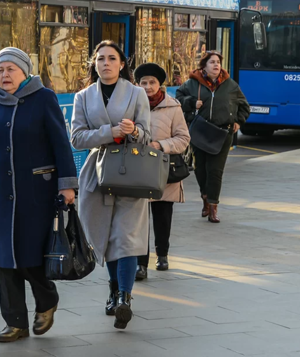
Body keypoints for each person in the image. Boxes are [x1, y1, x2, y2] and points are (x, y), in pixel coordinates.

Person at [0, 47, 78, 343]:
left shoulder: (43, 98)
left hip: (36, 191)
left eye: (11, 69)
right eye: (0, 70)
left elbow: (60, 143)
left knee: (30, 254)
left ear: (25, 72)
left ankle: (46, 299)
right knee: (4, 258)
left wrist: (67, 184)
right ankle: (15, 322)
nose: (5, 75)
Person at [70, 40, 151, 330]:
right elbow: (77, 138)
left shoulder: (137, 93)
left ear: (121, 64)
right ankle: (114, 289)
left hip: (131, 173)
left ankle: (124, 298)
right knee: (104, 236)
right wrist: (110, 131)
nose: (105, 63)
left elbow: (147, 133)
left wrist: (135, 130)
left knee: (126, 238)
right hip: (97, 174)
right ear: (94, 63)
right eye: (100, 58)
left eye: (111, 58)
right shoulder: (83, 97)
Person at [176, 51, 249, 223]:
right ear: (204, 66)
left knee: (215, 171)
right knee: (200, 169)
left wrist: (239, 121)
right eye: (212, 62)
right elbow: (178, 100)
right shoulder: (192, 84)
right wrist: (192, 103)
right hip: (199, 131)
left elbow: (244, 106)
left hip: (223, 133)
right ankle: (205, 197)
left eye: (218, 62)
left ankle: (213, 207)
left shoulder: (230, 85)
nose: (216, 65)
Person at [133, 63, 190, 279]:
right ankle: (141, 264)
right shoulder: (131, 106)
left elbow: (184, 139)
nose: (148, 87)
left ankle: (162, 255)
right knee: (139, 220)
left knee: (163, 216)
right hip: (137, 170)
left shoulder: (173, 107)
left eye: (152, 82)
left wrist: (160, 145)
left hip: (164, 170)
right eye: (143, 83)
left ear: (160, 84)